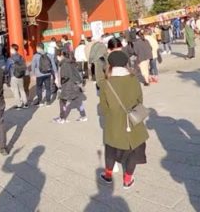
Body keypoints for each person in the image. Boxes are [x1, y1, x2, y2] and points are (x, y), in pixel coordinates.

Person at [98, 50, 148, 190]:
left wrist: (112, 115)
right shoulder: (134, 78)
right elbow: (140, 100)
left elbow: (104, 107)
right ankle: (127, 179)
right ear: (126, 63)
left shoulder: (105, 83)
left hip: (114, 122)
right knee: (133, 150)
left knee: (110, 150)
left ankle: (108, 176)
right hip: (133, 120)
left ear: (111, 64)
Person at [54, 49, 87, 123]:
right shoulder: (70, 62)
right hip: (74, 84)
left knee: (62, 101)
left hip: (68, 85)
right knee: (78, 100)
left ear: (60, 56)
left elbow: (65, 76)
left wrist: (59, 83)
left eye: (57, 56)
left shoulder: (64, 64)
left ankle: (62, 118)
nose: (57, 58)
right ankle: (83, 115)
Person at [7, 44, 28, 109]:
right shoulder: (21, 57)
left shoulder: (10, 59)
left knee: (15, 91)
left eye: (11, 49)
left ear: (13, 49)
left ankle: (19, 104)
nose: (10, 50)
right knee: (22, 89)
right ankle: (25, 103)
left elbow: (7, 68)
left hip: (13, 75)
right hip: (20, 75)